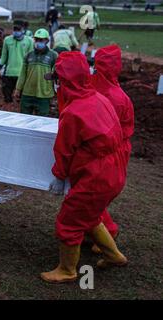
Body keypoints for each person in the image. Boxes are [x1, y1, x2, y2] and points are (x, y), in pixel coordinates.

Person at [42, 51, 128, 283]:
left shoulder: (73, 112)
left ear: (65, 81)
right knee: (89, 215)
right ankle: (114, 256)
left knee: (69, 221)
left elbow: (64, 150)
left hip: (96, 175)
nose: (56, 85)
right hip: (115, 170)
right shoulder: (100, 99)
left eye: (57, 80)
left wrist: (59, 176)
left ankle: (68, 270)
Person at [90, 45, 134, 252]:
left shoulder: (115, 97)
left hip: (107, 151)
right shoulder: (102, 90)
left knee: (94, 193)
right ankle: (96, 228)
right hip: (103, 149)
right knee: (94, 193)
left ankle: (108, 229)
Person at [15, 29, 57, 116]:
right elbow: (23, 73)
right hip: (27, 93)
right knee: (24, 119)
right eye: (36, 40)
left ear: (47, 41)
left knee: (42, 120)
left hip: (44, 94)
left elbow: (57, 73)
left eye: (41, 40)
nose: (38, 42)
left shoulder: (53, 55)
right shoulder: (29, 55)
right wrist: (18, 89)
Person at [0, 20, 33, 107]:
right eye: (14, 29)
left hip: (22, 73)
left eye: (18, 29)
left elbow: (31, 58)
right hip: (9, 72)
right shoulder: (7, 40)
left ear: (23, 30)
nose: (16, 31)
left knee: (22, 97)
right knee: (7, 96)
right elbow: (4, 56)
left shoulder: (29, 41)